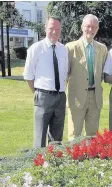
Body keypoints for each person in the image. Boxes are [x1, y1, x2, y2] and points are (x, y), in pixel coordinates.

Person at [23, 16, 68, 148]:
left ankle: (54, 165)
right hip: (43, 96)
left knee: (57, 137)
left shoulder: (63, 49)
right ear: (45, 29)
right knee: (40, 136)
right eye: (51, 28)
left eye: (57, 29)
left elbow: (65, 72)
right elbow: (28, 76)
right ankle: (38, 166)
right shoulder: (35, 49)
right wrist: (38, 93)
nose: (54, 32)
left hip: (60, 97)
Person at [65, 14, 108, 140]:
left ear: (97, 29)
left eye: (94, 27)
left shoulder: (102, 49)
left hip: (95, 97)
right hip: (76, 97)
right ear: (82, 27)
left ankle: (90, 159)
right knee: (74, 135)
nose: (91, 29)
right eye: (88, 26)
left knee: (92, 137)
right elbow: (65, 74)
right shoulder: (70, 47)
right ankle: (73, 160)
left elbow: (102, 71)